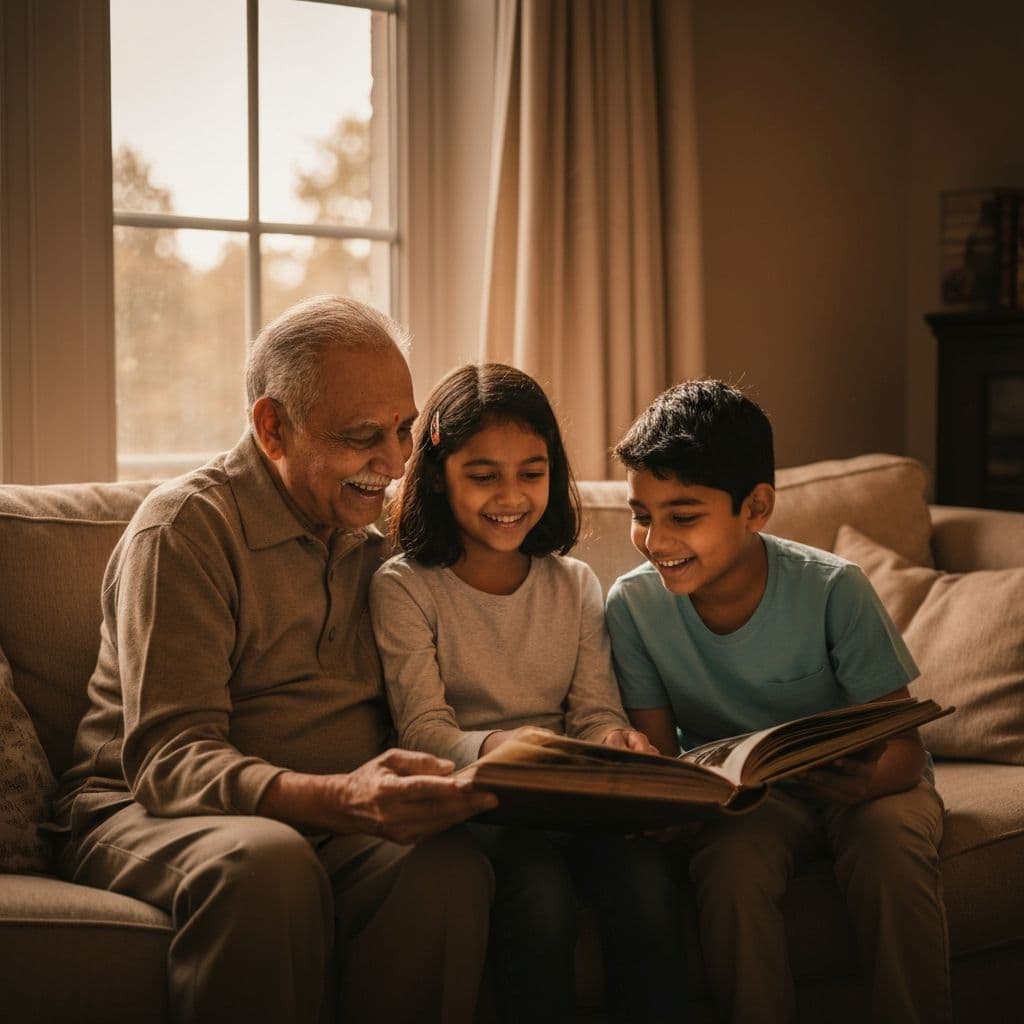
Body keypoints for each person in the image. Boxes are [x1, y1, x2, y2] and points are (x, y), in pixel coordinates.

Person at [53, 296, 499, 1024]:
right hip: (145, 811)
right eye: (363, 437)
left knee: (444, 867)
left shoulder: (383, 530)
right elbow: (170, 760)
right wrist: (337, 798)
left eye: (404, 429)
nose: (393, 463)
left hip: (328, 824)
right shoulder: (185, 531)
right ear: (272, 428)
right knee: (266, 865)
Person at [604, 379, 951, 1024]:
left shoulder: (833, 589)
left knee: (891, 855)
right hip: (754, 800)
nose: (656, 540)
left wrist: (866, 779)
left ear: (755, 507)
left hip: (871, 783)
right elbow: (657, 754)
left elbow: (904, 748)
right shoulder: (632, 606)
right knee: (729, 869)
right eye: (641, 514)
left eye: (683, 516)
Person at [369, 362, 686, 1024]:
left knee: (649, 884)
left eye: (532, 473)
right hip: (481, 808)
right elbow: (423, 732)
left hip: (574, 801)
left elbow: (595, 711)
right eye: (483, 476)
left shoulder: (571, 584)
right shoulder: (404, 588)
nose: (510, 495)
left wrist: (615, 740)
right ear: (438, 475)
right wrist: (507, 745)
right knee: (539, 893)